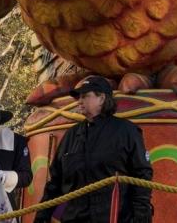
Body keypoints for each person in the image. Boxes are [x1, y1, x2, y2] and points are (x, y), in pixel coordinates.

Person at [35, 75, 153, 223]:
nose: (79, 101)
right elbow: (55, 182)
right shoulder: (71, 135)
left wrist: (141, 217)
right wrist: (42, 217)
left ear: (102, 99)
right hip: (74, 219)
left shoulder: (127, 131)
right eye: (79, 97)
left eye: (85, 96)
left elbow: (142, 175)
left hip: (115, 218)